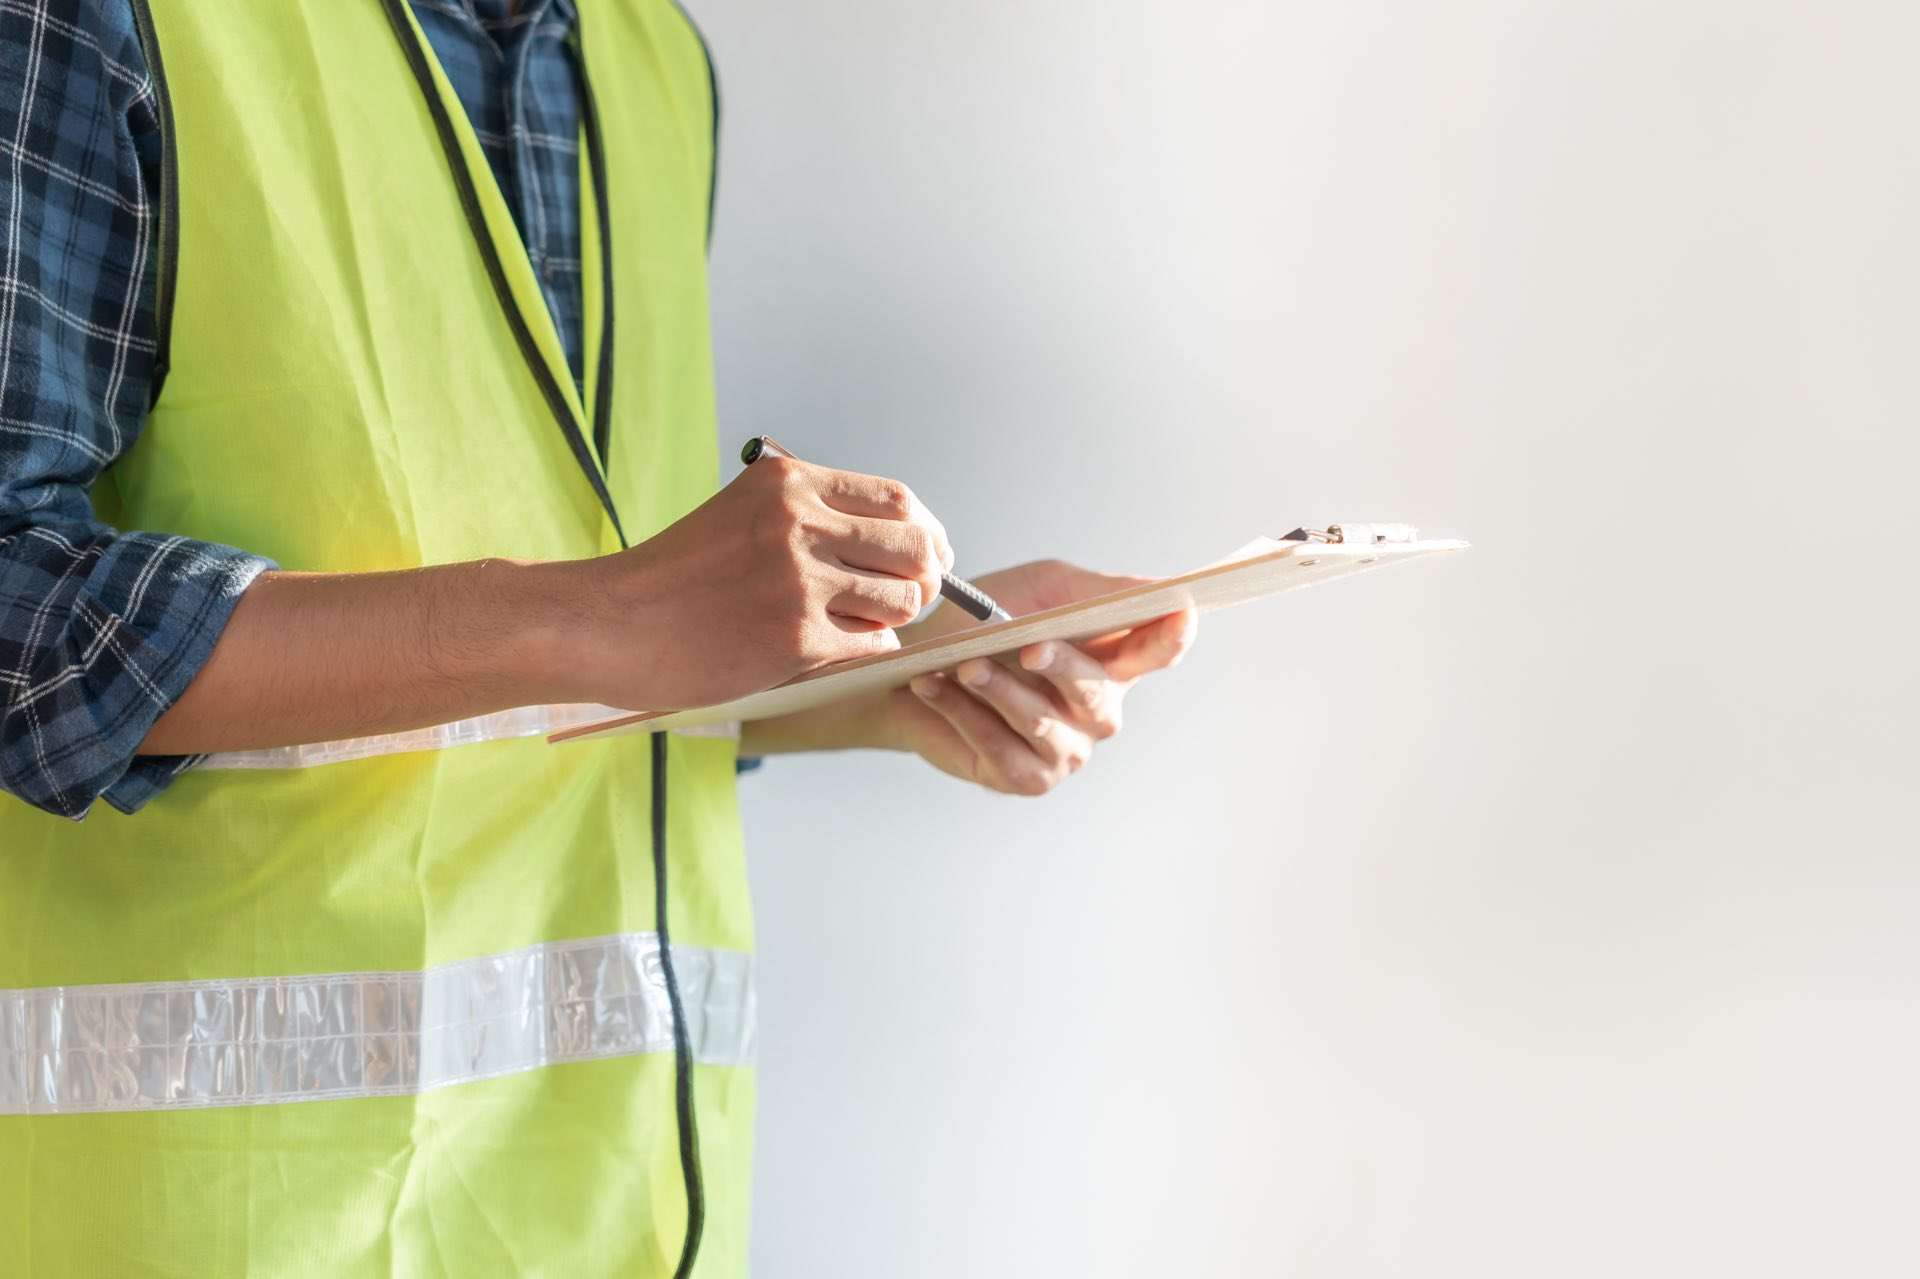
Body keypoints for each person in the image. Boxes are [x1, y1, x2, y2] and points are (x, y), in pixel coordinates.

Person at [0, 1, 1195, 1274]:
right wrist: (603, 613)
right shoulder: (103, 22)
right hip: (225, 1227)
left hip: (623, 1212)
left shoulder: (654, 65)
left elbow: (607, 675)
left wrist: (889, 670)